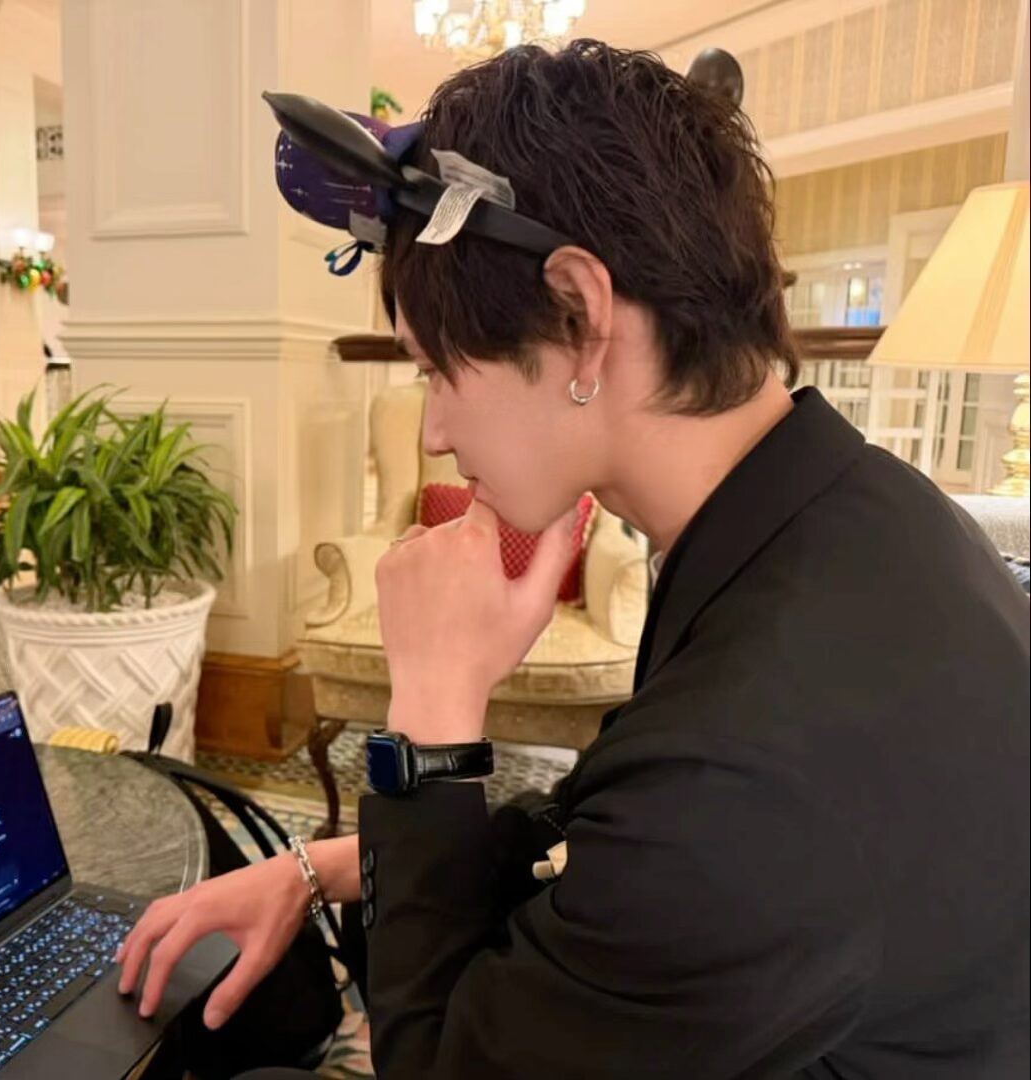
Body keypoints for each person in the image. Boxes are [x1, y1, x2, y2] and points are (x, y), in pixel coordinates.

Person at [116, 41, 1030, 1078]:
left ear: (578, 314)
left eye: (438, 369)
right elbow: (611, 827)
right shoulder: (856, 513)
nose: (434, 434)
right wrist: (314, 867)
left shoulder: (751, 770)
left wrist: (431, 717)